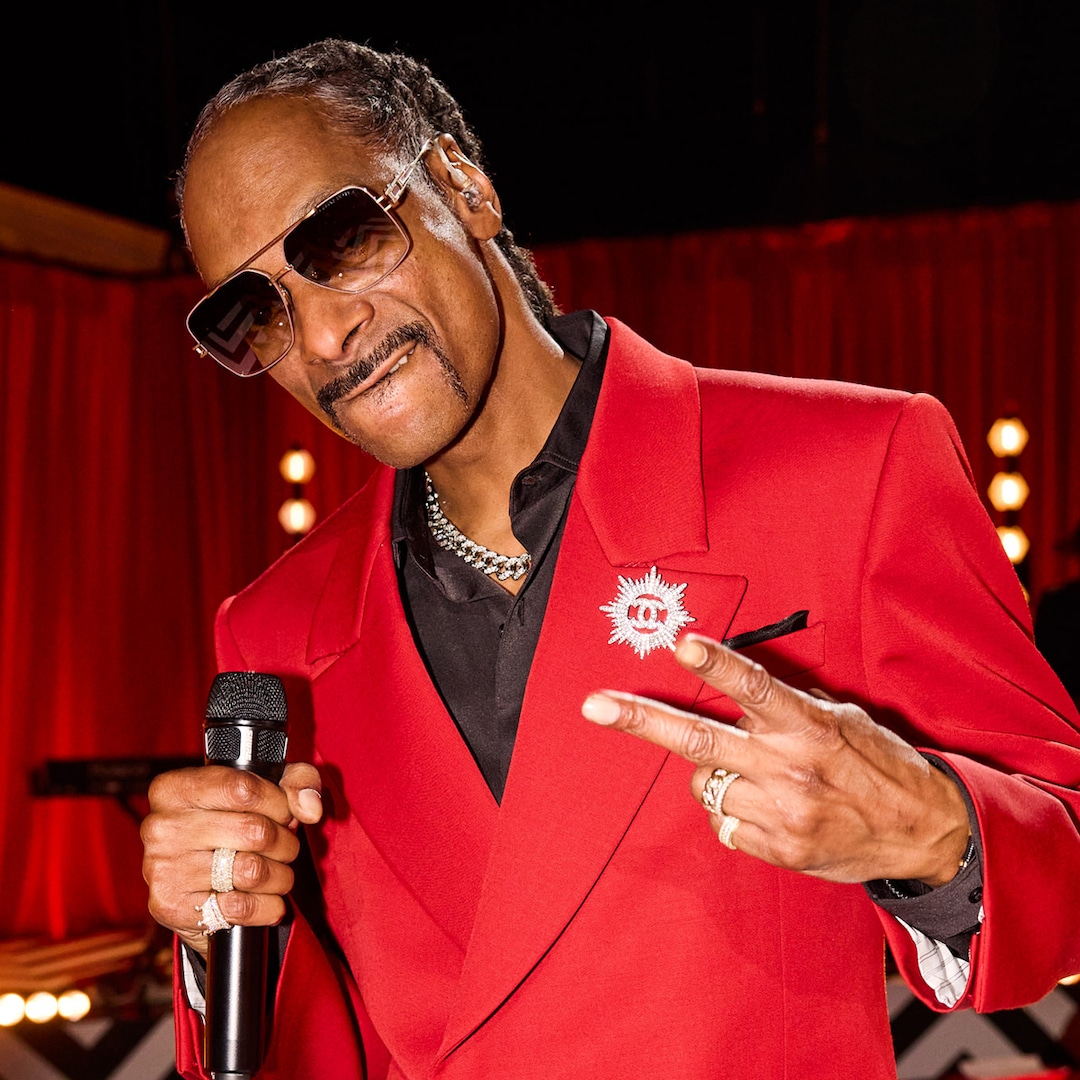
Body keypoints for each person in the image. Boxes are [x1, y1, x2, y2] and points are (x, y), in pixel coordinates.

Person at [141, 39, 1080, 1080]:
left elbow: (1065, 864)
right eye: (254, 312)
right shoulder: (273, 632)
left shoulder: (853, 468)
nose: (322, 337)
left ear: (464, 187)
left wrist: (934, 835)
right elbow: (321, 1049)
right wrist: (221, 932)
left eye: (341, 239)